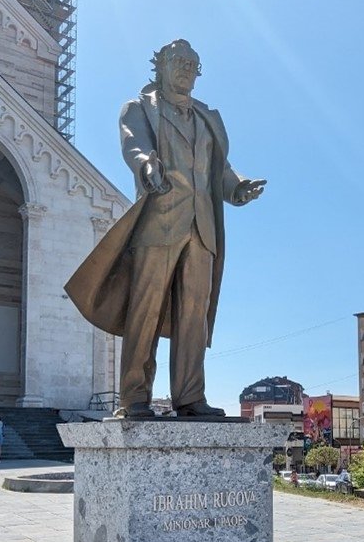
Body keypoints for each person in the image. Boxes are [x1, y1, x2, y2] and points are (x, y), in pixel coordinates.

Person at [65, 39, 266, 418]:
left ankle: (190, 397)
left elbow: (218, 168)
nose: (187, 68)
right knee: (146, 311)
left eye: (193, 63)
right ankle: (134, 398)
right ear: (159, 66)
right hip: (159, 221)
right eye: (179, 61)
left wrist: (237, 187)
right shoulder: (140, 107)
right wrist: (146, 166)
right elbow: (134, 146)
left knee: (194, 315)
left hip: (202, 228)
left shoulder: (207, 118)